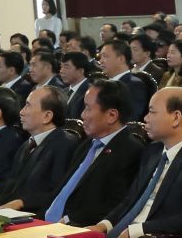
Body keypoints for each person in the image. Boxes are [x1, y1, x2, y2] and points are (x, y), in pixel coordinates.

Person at [94, 87, 182, 238]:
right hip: (122, 235)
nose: (145, 118)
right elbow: (130, 200)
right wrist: (103, 225)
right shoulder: (153, 151)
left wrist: (136, 231)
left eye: (152, 112)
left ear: (176, 118)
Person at [43, 79, 148, 226]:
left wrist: (70, 218)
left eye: (87, 108)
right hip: (45, 221)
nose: (82, 115)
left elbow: (116, 205)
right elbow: (62, 190)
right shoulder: (87, 144)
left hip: (76, 228)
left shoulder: (131, 151)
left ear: (111, 115)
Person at [0, 86, 80, 214]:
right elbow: (12, 185)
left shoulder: (65, 144)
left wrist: (22, 202)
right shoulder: (26, 145)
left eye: (28, 106)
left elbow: (59, 191)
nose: (21, 112)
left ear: (47, 116)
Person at [96, 40, 150, 122]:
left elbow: (130, 118)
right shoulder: (102, 84)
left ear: (121, 59)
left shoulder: (134, 85)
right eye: (100, 57)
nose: (100, 61)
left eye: (105, 56)